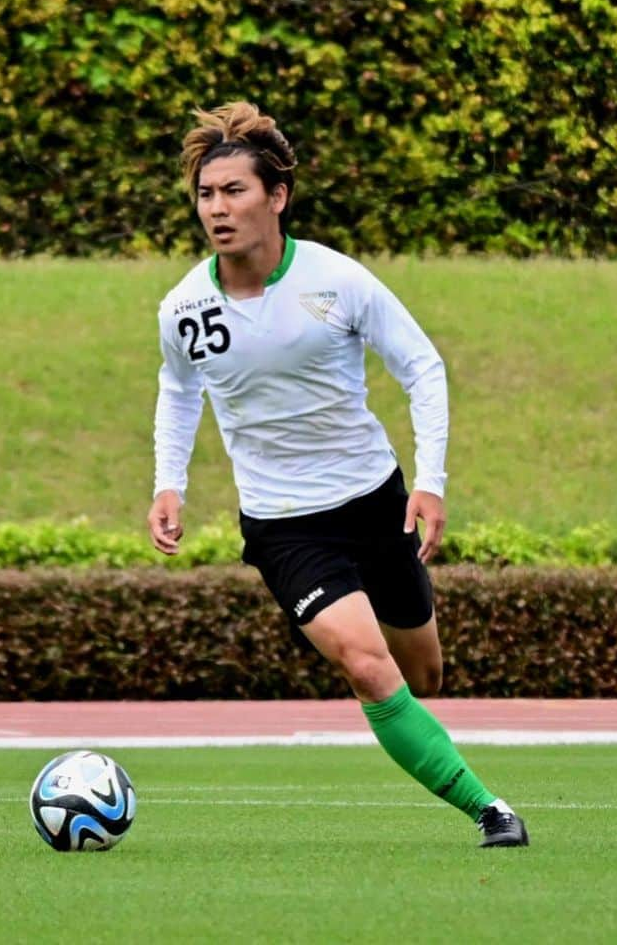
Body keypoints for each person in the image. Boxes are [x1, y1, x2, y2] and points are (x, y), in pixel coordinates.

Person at [147, 101, 528, 848]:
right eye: (205, 195)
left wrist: (432, 480)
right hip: (285, 527)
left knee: (424, 677)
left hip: (374, 503)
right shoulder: (185, 306)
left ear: (277, 196)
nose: (217, 209)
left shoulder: (337, 280)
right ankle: (491, 810)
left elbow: (422, 367)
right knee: (364, 663)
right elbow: (179, 386)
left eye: (234, 191)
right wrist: (170, 482)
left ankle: (426, 731)